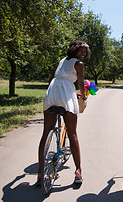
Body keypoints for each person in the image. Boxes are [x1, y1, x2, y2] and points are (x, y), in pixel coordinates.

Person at [36, 40, 90, 185]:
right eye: (81, 51)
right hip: (65, 94)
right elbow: (80, 82)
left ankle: (40, 173)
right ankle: (78, 171)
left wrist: (49, 93)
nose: (83, 54)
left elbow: (52, 77)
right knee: (72, 134)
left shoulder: (62, 61)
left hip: (52, 93)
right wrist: (83, 96)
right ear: (74, 51)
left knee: (46, 133)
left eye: (85, 52)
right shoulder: (78, 64)